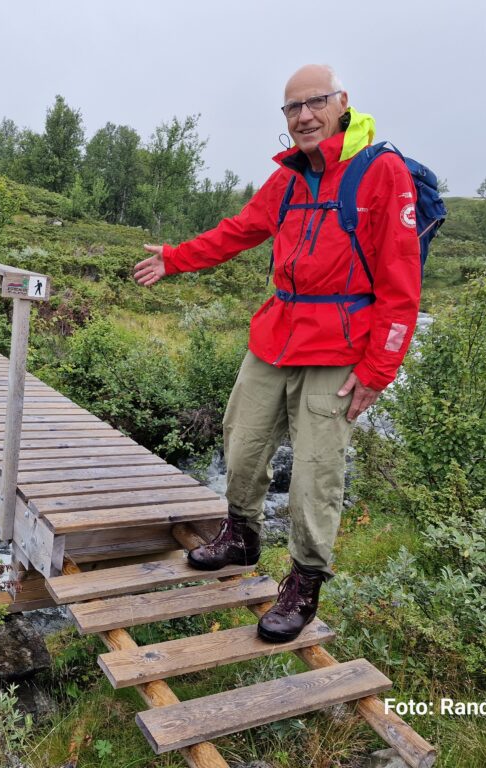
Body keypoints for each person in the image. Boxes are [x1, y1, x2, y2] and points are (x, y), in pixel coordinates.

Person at [133, 64, 421, 643]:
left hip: (340, 348)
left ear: (342, 103)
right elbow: (240, 230)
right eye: (292, 108)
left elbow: (401, 283)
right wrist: (175, 257)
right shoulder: (289, 178)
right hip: (276, 335)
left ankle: (304, 582)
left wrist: (378, 371)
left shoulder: (381, 173)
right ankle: (240, 534)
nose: (304, 116)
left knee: (316, 471)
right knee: (242, 442)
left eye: (315, 103)